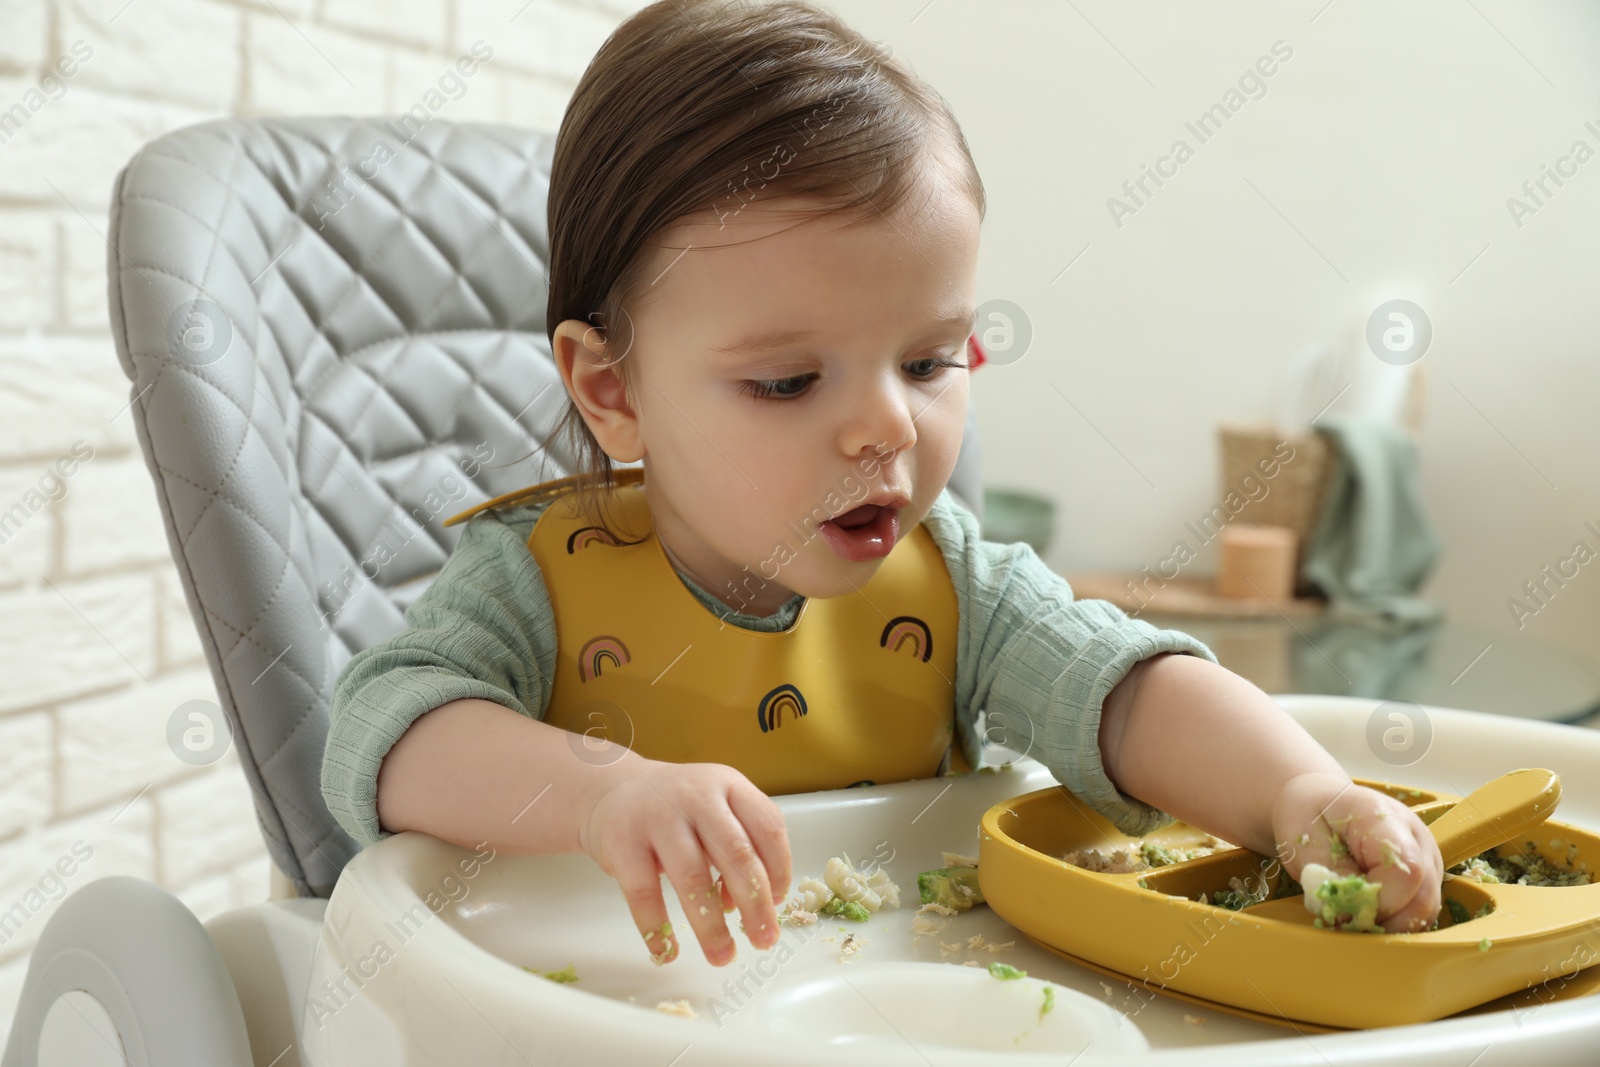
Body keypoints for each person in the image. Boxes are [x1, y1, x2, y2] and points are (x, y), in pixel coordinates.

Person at [321, 0, 1443, 970]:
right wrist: (601, 790)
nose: (887, 424)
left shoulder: (954, 588)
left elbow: (1127, 692)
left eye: (928, 360)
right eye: (787, 379)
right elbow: (382, 730)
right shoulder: (537, 582)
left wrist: (1294, 792)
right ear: (611, 389)